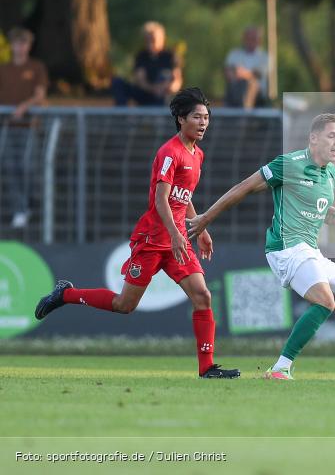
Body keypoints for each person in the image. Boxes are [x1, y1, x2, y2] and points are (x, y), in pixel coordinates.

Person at [34, 89, 240, 379]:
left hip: (177, 239)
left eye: (206, 117)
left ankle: (207, 367)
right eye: (197, 117)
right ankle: (66, 294)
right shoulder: (170, 153)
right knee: (124, 305)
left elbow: (184, 195)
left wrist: (199, 226)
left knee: (202, 295)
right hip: (153, 240)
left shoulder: (198, 154)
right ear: (181, 119)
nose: (203, 122)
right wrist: (176, 234)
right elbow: (160, 200)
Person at [186, 113, 335, 381]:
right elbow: (243, 187)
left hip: (310, 251)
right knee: (325, 302)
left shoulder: (330, 172)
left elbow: (323, 212)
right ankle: (281, 367)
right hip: (286, 249)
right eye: (332, 135)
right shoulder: (289, 164)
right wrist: (206, 219)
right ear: (313, 138)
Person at [0, 27, 48, 229]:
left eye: (24, 43)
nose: (20, 47)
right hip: (7, 126)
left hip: (28, 125)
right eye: (17, 43)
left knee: (28, 167)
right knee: (9, 167)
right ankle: (19, 208)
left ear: (29, 45)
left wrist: (24, 106)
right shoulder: (4, 68)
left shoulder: (36, 67)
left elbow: (40, 94)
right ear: (12, 45)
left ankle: (30, 202)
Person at [112, 22, 183, 106]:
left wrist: (167, 88)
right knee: (118, 82)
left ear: (162, 38)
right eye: (147, 39)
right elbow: (141, 80)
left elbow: (177, 81)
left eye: (153, 39)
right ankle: (121, 114)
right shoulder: (141, 56)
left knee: (164, 79)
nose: (150, 42)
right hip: (145, 93)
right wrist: (153, 88)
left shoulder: (170, 56)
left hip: (164, 96)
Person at [224, 25, 269, 109]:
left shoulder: (264, 57)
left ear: (259, 40)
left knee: (251, 84)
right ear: (244, 39)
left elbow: (257, 74)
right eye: (248, 38)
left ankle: (245, 114)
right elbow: (228, 74)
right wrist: (246, 74)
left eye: (254, 38)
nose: (251, 41)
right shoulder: (234, 54)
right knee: (240, 85)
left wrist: (239, 72)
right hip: (235, 92)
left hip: (257, 97)